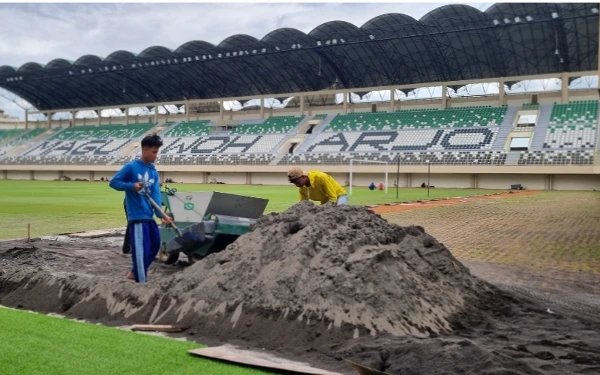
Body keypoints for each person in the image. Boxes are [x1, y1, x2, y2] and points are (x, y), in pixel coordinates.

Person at [109, 134, 172, 283]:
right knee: (140, 251)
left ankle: (134, 272)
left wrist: (161, 214)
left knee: (155, 244)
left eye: (157, 152)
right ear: (144, 150)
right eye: (154, 152)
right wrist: (131, 186)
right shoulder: (131, 167)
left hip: (148, 215)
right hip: (137, 216)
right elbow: (114, 182)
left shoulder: (153, 172)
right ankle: (141, 281)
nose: (156, 155)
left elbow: (156, 196)